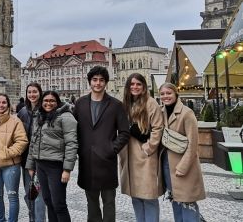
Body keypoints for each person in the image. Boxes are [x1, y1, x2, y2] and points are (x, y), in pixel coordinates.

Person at [74, 66, 130, 222]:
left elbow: (124, 132)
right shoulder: (80, 104)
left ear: (106, 83)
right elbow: (73, 130)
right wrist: (79, 149)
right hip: (87, 161)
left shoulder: (116, 105)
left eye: (101, 80)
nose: (98, 83)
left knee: (109, 202)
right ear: (90, 82)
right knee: (91, 203)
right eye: (94, 80)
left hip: (107, 161)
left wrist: (111, 149)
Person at [26, 91, 77, 222]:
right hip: (40, 164)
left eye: (52, 100)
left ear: (57, 102)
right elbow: (33, 141)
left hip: (56, 166)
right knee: (48, 201)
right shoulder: (39, 116)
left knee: (58, 204)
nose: (48, 103)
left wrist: (67, 169)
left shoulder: (66, 117)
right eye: (46, 101)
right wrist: (31, 165)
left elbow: (71, 143)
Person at [119, 73, 164, 222]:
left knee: (148, 196)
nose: (135, 87)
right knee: (135, 196)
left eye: (138, 84)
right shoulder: (125, 103)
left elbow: (158, 128)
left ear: (144, 86)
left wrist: (149, 147)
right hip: (129, 155)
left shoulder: (151, 103)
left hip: (145, 156)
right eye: (132, 84)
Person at [159, 83, 205, 222]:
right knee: (175, 200)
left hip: (184, 166)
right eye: (162, 94)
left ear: (175, 94)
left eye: (169, 93)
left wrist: (183, 167)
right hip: (167, 164)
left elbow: (193, 144)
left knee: (188, 202)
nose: (165, 96)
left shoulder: (187, 113)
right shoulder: (161, 112)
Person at [0, 93, 28, 222]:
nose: (1, 105)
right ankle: (0, 220)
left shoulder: (15, 121)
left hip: (11, 165)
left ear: (8, 104)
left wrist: (7, 153)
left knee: (12, 196)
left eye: (4, 102)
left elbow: (22, 141)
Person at [16, 83, 46, 222]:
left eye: (35, 92)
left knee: (38, 194)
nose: (32, 94)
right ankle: (32, 219)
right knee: (29, 193)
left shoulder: (45, 110)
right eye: (29, 92)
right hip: (25, 161)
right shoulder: (22, 112)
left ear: (39, 93)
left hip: (41, 160)